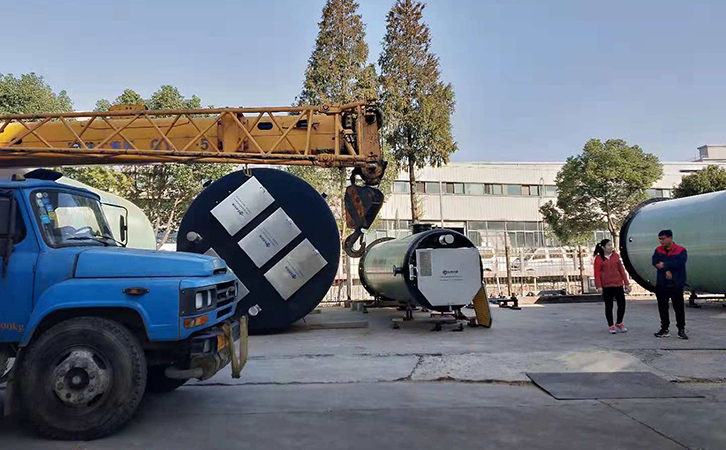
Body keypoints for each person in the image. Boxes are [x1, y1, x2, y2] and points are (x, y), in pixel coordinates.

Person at [652, 230, 689, 339]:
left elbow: (680, 263)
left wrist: (665, 265)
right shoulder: (658, 250)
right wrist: (666, 270)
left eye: (663, 239)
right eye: (659, 239)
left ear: (670, 238)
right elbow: (655, 262)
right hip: (662, 283)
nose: (661, 241)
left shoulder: (680, 250)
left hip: (676, 283)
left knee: (679, 307)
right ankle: (664, 329)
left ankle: (681, 329)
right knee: (663, 307)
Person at [593, 239, 632, 334]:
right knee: (609, 306)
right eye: (608, 245)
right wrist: (599, 286)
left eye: (611, 245)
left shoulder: (616, 256)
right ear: (603, 247)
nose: (611, 247)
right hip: (606, 285)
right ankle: (611, 325)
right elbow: (596, 273)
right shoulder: (598, 259)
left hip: (618, 284)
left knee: (622, 304)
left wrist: (626, 283)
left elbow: (621, 270)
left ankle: (619, 322)